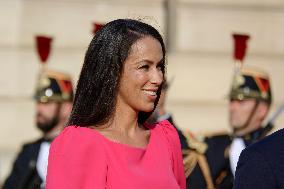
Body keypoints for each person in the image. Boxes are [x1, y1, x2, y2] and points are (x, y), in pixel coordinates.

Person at [45, 19, 186, 189]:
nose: (158, 78)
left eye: (160, 67)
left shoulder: (166, 138)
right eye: (144, 67)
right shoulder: (79, 143)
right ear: (112, 71)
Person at [201, 67, 273, 189]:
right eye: (232, 100)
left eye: (241, 102)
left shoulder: (274, 150)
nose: (232, 108)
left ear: (262, 109)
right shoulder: (212, 146)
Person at [2, 70, 74, 189]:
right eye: (38, 101)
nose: (39, 108)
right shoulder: (28, 152)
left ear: (67, 107)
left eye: (47, 102)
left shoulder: (80, 149)